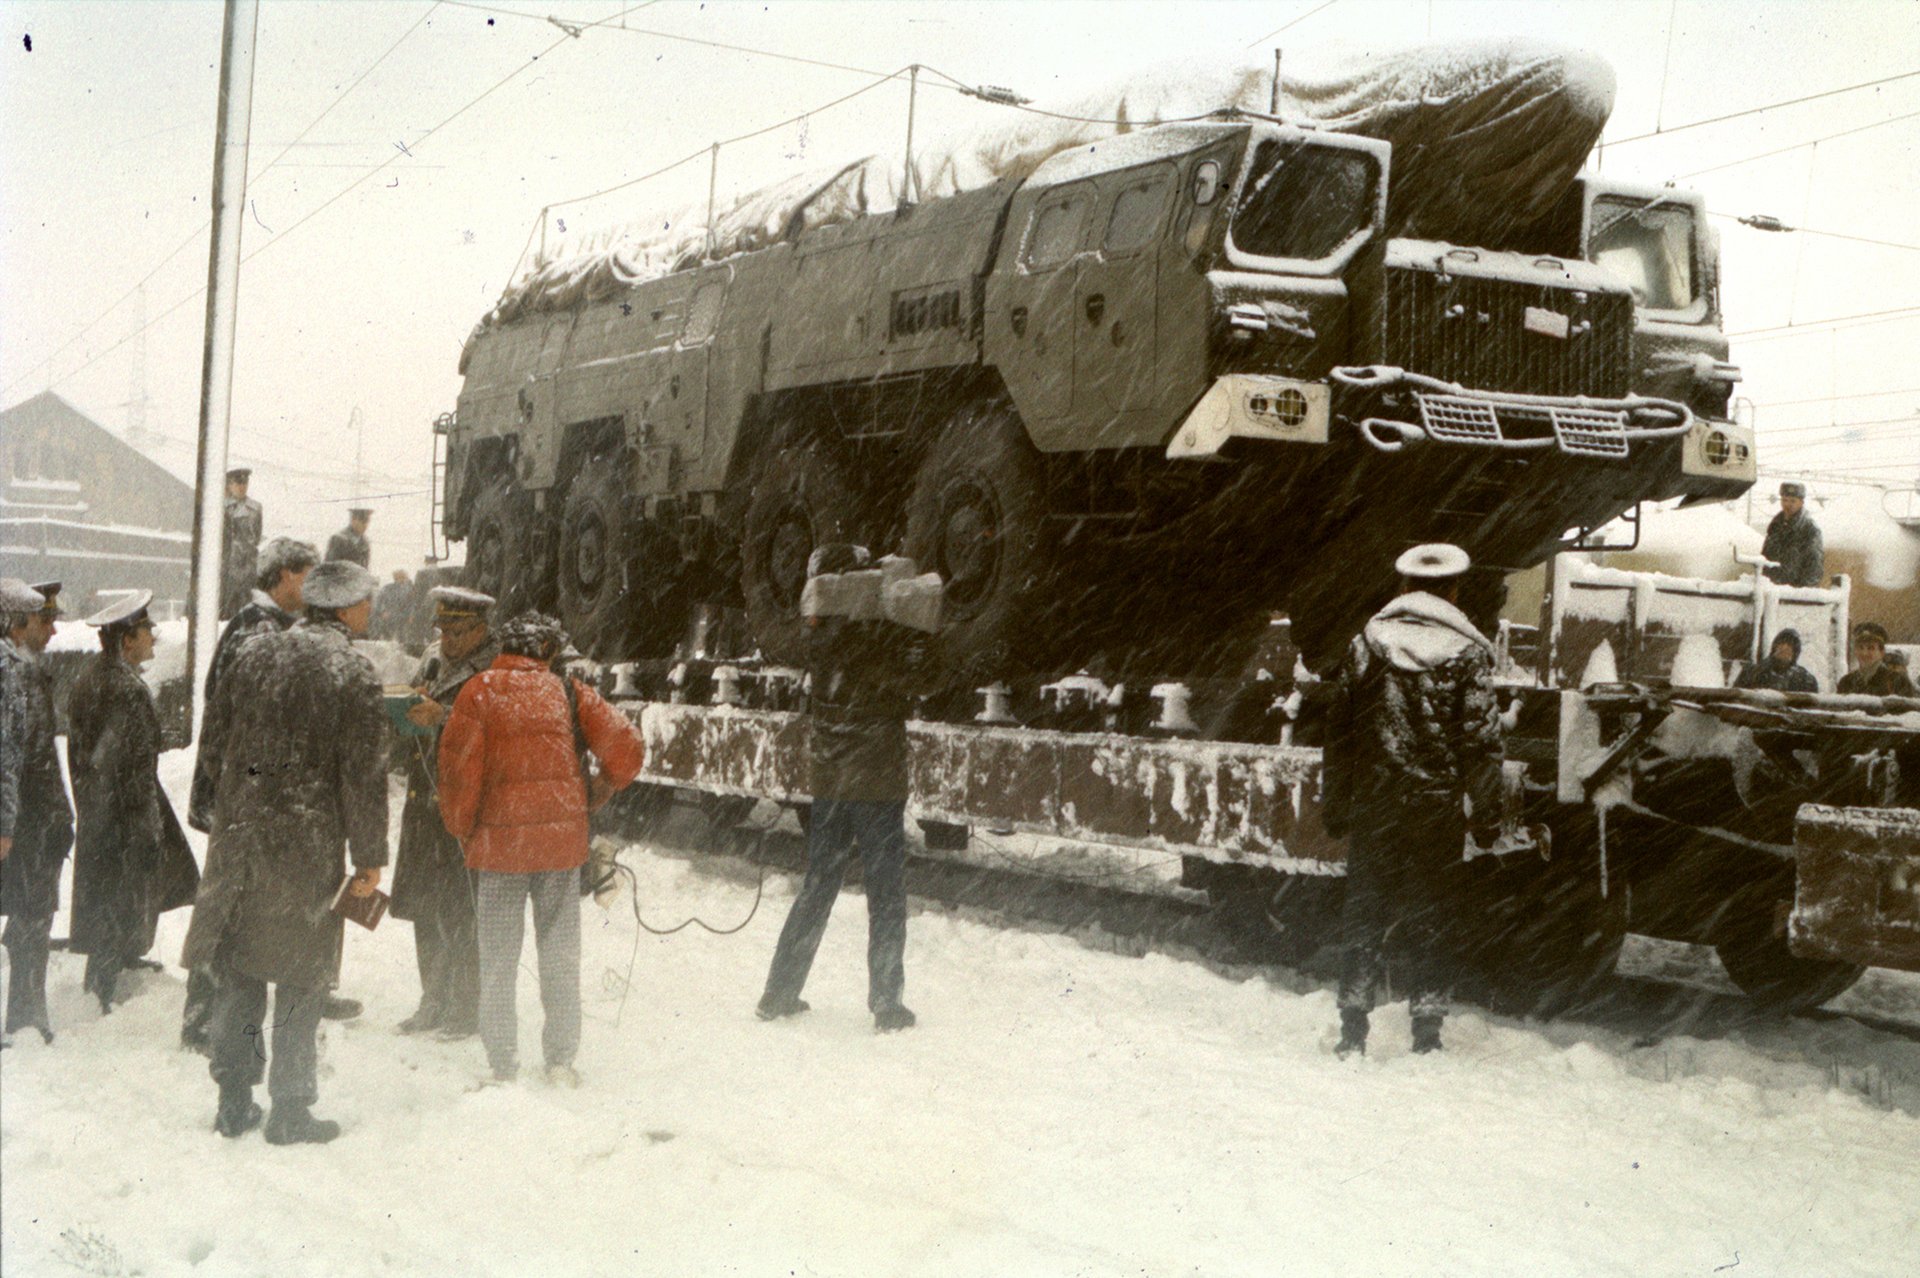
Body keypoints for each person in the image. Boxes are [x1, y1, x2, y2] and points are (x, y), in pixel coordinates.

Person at [181, 560, 389, 1143]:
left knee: (240, 972)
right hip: (306, 845)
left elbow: (214, 746)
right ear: (344, 609)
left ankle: (233, 1100)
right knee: (302, 977)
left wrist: (235, 800)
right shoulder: (352, 671)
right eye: (365, 603)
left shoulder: (253, 654)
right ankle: (291, 1108)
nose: (369, 612)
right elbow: (363, 774)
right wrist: (369, 855)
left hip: (242, 839)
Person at [437, 611, 645, 1086]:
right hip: (559, 850)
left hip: (500, 851)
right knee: (559, 958)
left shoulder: (479, 691)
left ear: (504, 647)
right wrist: (600, 789)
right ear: (548, 650)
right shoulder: (569, 692)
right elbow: (628, 747)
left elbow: (458, 771)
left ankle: (502, 1063)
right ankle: (560, 1061)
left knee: (497, 962)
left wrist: (462, 828)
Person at [1321, 543, 1504, 1058]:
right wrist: (1486, 813)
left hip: (1375, 805)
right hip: (1434, 810)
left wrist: (1336, 801)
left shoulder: (1365, 646)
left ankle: (1352, 1030)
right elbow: (1481, 741)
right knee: (1432, 919)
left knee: (1364, 915)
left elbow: (1339, 734)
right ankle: (1426, 1033)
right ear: (1454, 591)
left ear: (1403, 588)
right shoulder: (1467, 654)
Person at [755, 544, 938, 1033]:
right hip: (876, 781)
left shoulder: (818, 635)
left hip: (832, 780)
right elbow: (918, 680)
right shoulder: (882, 630)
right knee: (886, 891)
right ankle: (886, 1004)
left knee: (819, 884)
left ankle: (779, 992)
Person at [183, 537, 353, 1051]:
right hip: (244, 797)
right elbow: (227, 719)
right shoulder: (255, 629)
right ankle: (204, 1018)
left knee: (252, 901)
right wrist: (248, 783)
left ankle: (297, 989)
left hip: (250, 793)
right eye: (306, 574)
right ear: (282, 576)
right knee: (231, 904)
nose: (314, 585)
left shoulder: (274, 627)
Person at [66, 591, 200, 1014]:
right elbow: (133, 766)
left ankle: (111, 971)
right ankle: (103, 991)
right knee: (122, 896)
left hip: (101, 810)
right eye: (146, 630)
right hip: (124, 815)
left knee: (108, 895)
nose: (153, 638)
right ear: (127, 641)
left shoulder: (92, 677)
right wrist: (145, 826)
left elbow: (90, 758)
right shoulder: (126, 689)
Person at [391, 586, 499, 1038]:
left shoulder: (496, 668)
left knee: (463, 908)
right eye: (443, 630)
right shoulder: (433, 659)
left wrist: (444, 716)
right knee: (424, 905)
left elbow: (497, 729)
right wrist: (405, 706)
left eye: (457, 632)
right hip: (425, 798)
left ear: (481, 629)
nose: (447, 640)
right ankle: (432, 999)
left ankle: (466, 1007)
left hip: (467, 804)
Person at [2, 580, 73, 1046]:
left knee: (32, 914)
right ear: (15, 624)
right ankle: (25, 1019)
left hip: (30, 818)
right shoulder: (15, 674)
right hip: (25, 821)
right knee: (31, 915)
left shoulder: (26, 670)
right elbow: (13, 754)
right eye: (41, 619)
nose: (50, 629)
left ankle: (27, 1013)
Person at [1760, 481, 1825, 588]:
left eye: (1793, 501)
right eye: (1784, 500)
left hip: (1794, 592)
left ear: (1801, 503)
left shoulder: (1810, 530)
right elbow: (1765, 557)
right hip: (1772, 590)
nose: (1788, 504)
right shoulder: (1775, 526)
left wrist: (1802, 592)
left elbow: (1814, 567)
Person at [220, 467, 264, 618]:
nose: (242, 487)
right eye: (238, 483)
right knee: (227, 604)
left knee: (248, 601)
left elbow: (256, 535)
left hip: (249, 562)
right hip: (228, 562)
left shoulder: (255, 508)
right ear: (230, 485)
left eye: (245, 483)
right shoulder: (221, 507)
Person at [1837, 621, 1917, 697]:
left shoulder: (1897, 682)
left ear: (1882, 652)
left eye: (1871, 648)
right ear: (1855, 651)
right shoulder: (1846, 682)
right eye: (1860, 647)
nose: (1864, 653)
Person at [1735, 628, 1820, 693]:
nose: (1784, 648)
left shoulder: (1806, 681)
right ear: (1774, 647)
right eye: (1782, 643)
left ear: (1795, 652)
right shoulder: (1752, 673)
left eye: (1790, 646)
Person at [370, 569, 413, 640]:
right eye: (401, 577)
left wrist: (411, 615)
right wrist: (383, 611)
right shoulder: (387, 588)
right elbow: (380, 601)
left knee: (402, 637)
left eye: (404, 577)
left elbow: (411, 603)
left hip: (403, 617)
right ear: (396, 578)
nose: (403, 580)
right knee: (388, 636)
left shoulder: (409, 589)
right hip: (390, 616)